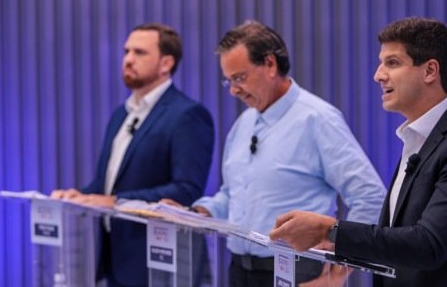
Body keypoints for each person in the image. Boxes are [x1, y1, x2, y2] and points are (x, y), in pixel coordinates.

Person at [269, 17, 447, 287]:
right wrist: (335, 248)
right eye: (381, 62)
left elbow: (428, 245)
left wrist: (329, 229)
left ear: (430, 70)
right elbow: (399, 241)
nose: (378, 74)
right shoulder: (419, 138)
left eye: (392, 63)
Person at [163, 20, 386, 287]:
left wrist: (341, 266)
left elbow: (370, 196)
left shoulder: (317, 119)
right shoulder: (243, 124)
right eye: (228, 81)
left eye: (240, 78)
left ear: (270, 64)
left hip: (296, 269)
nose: (233, 90)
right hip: (240, 268)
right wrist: (198, 211)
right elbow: (233, 194)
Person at [51, 23, 215, 287]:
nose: (128, 59)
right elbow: (106, 185)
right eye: (126, 51)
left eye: (139, 53)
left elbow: (186, 190)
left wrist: (114, 201)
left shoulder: (188, 115)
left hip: (162, 264)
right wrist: (78, 196)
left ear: (166, 63)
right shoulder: (121, 114)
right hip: (116, 261)